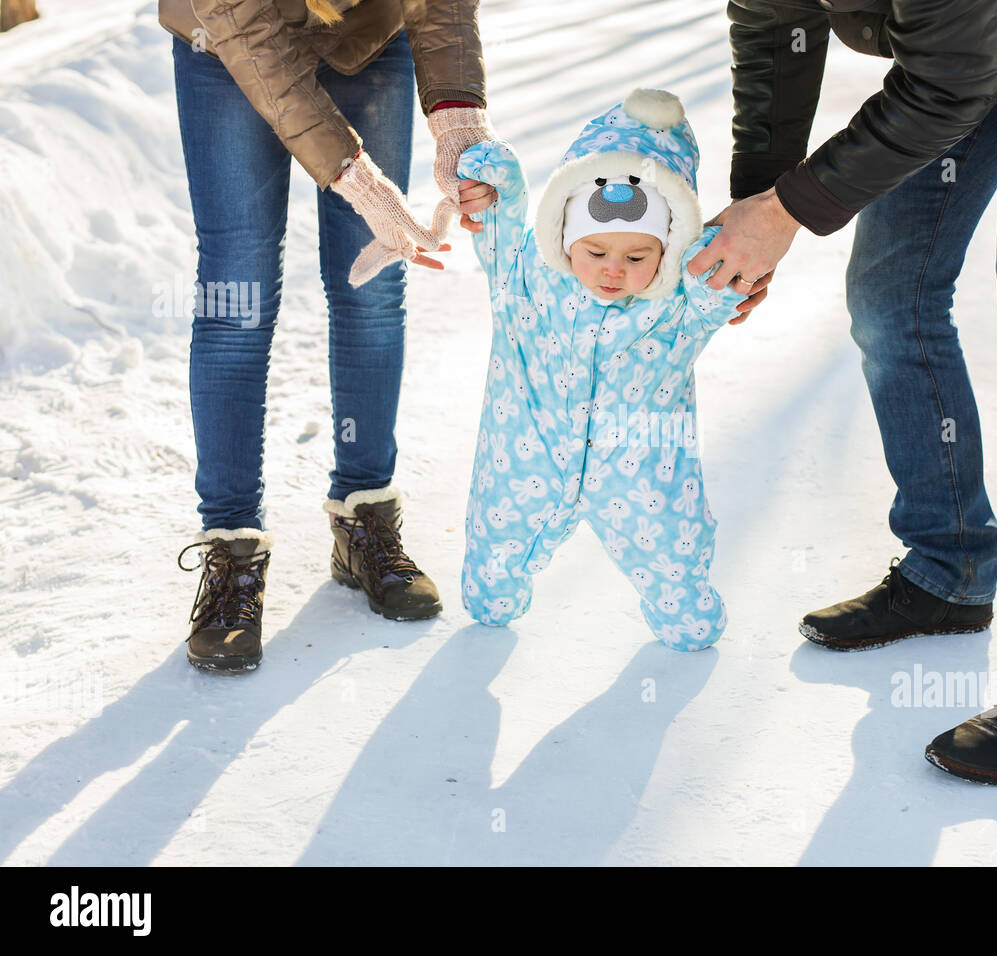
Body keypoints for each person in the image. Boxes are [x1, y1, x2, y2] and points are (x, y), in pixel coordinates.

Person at [692, 0, 997, 783]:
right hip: (955, 57)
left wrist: (784, 214)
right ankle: (945, 569)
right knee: (890, 300)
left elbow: (950, 84)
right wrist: (758, 209)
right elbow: (775, 38)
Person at [161, 0, 496, 671]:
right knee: (235, 297)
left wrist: (459, 121)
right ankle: (232, 547)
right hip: (227, 40)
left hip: (366, 42)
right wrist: (354, 176)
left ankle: (362, 516)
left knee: (371, 287)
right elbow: (241, 18)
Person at [448, 89, 748, 649]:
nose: (613, 271)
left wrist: (726, 264)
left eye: (636, 257)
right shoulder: (526, 281)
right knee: (495, 566)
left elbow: (718, 285)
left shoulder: (677, 305)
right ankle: (492, 598)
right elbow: (501, 226)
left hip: (643, 471)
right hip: (523, 458)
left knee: (677, 574)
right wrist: (497, 187)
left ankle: (688, 620)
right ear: (564, 233)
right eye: (595, 251)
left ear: (670, 248)